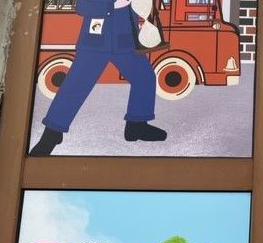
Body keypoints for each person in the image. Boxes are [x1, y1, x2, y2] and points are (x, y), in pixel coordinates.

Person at [30, 0, 167, 156]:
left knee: (145, 77)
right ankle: (52, 133)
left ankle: (137, 125)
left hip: (125, 41)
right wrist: (114, 5)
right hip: (96, 42)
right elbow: (83, 6)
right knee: (75, 85)